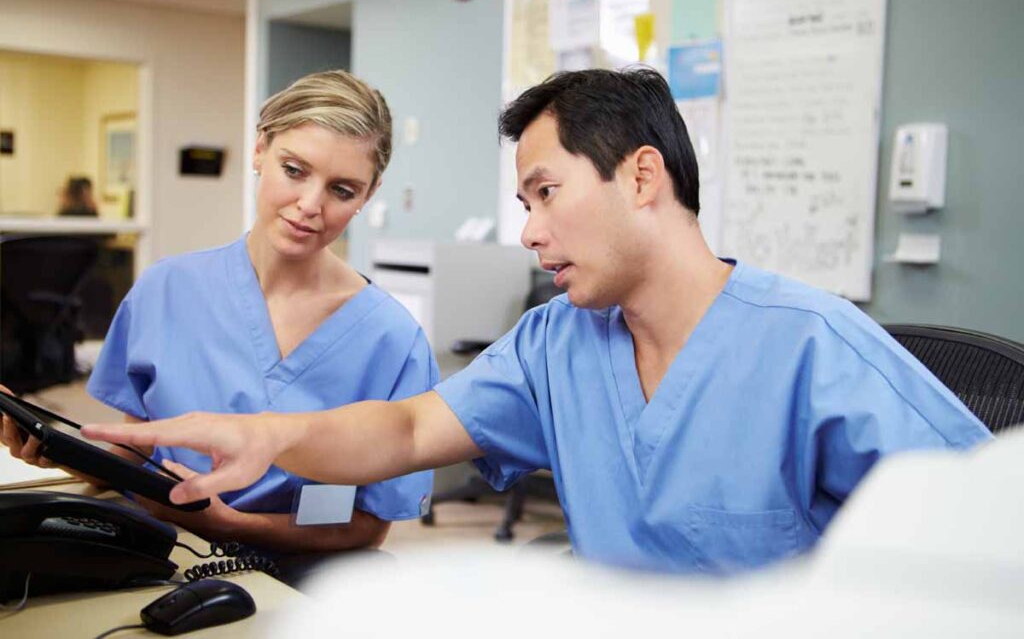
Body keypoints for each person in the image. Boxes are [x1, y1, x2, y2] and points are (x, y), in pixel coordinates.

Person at [82, 68, 991, 574]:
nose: (528, 231)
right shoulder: (557, 342)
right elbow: (407, 429)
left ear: (641, 177)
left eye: (545, 193)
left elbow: (991, 534)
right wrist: (269, 435)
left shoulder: (811, 346)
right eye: (524, 202)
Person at [2, 70, 434, 562]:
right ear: (259, 149)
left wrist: (228, 525)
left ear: (369, 193)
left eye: (342, 190)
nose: (310, 205)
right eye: (294, 170)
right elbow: (133, 458)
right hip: (159, 553)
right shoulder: (166, 289)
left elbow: (367, 526)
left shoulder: (392, 340)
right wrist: (57, 450)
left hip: (300, 574)